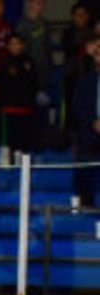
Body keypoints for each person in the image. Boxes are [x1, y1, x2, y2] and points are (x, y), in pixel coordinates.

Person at [0, 33, 39, 157]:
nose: (15, 46)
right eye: (12, 44)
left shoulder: (30, 62)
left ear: (23, 45)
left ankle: (23, 171)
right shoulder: (3, 63)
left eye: (18, 43)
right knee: (8, 145)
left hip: (26, 110)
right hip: (8, 111)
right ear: (8, 46)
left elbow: (32, 84)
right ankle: (8, 172)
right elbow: (2, 86)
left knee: (24, 145)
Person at [70, 35, 100, 207]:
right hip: (89, 132)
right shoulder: (84, 80)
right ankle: (84, 207)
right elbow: (77, 107)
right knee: (84, 170)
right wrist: (93, 122)